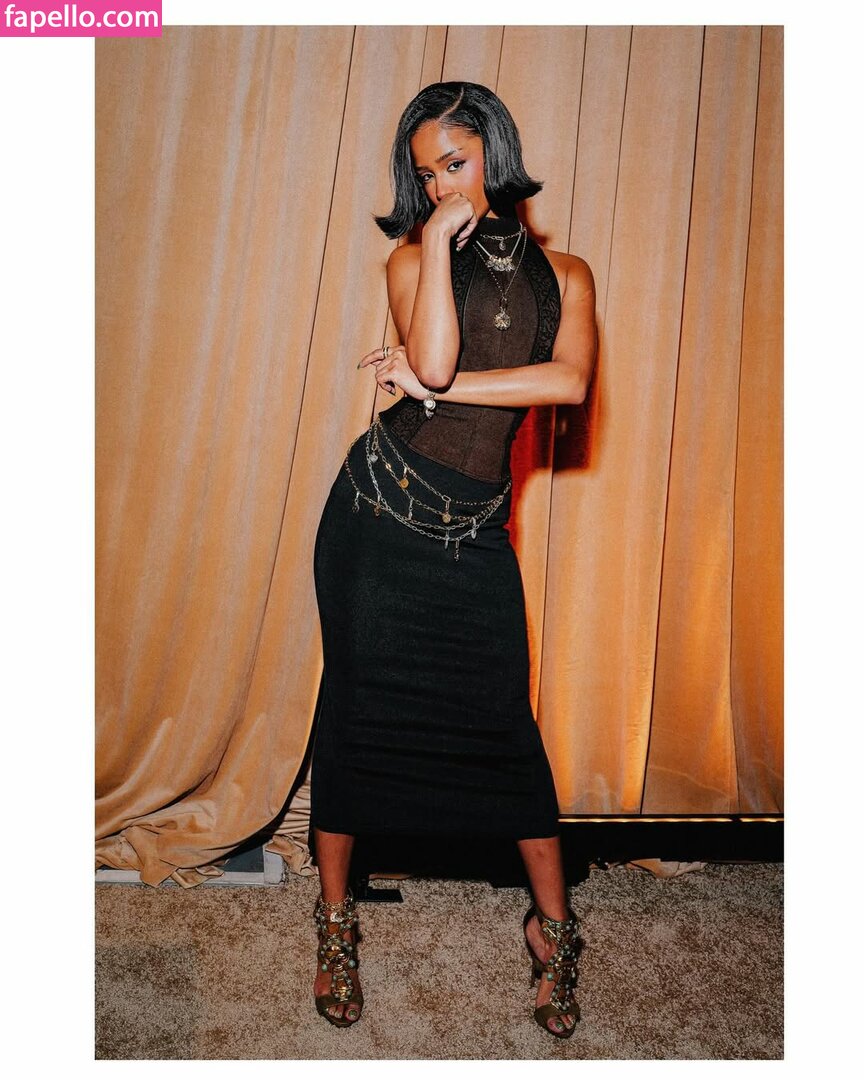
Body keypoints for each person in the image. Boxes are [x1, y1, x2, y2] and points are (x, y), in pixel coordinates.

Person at [308, 82, 597, 1039]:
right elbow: (428, 364)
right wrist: (436, 243)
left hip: (474, 532)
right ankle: (336, 926)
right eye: (426, 173)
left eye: (457, 163)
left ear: (495, 153)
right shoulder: (409, 257)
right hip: (378, 516)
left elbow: (568, 381)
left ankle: (554, 929)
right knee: (355, 715)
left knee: (505, 728)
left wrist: (438, 383)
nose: (442, 185)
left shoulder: (570, 275)